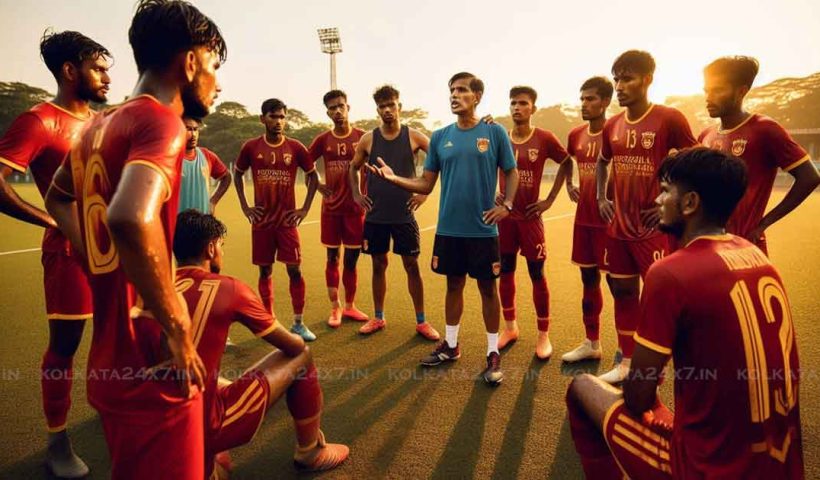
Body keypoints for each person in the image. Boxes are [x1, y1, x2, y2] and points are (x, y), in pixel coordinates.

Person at [44, 1, 225, 477]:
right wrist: (178, 327)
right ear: (189, 62)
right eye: (213, 65)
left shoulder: (95, 128)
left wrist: (91, 254)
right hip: (152, 362)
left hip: (108, 362)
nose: (216, 81)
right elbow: (128, 217)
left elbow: (57, 197)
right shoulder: (160, 122)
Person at [567, 147, 803, 479]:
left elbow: (637, 398)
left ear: (690, 203)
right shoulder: (758, 257)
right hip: (781, 466)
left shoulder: (670, 273)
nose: (657, 200)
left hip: (706, 469)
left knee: (581, 387)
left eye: (664, 191)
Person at [0, 29, 110, 479]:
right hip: (68, 253)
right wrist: (50, 221)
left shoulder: (100, 121)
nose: (106, 77)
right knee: (65, 347)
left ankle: (118, 409)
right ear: (70, 71)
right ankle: (57, 442)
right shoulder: (39, 121)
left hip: (114, 248)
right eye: (98, 69)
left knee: (128, 330)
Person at [172, 210, 349, 478]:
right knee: (302, 354)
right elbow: (292, 347)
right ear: (210, 248)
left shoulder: (151, 289)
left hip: (147, 423)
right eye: (221, 245)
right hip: (199, 423)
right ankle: (310, 451)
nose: (221, 252)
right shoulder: (228, 288)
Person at [368, 72, 518, 386]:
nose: (454, 94)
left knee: (488, 290)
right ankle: (450, 345)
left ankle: (492, 353)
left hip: (483, 229)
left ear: (477, 95)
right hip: (449, 229)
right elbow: (426, 182)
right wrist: (395, 179)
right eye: (451, 90)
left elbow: (511, 171)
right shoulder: (439, 137)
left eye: (462, 89)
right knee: (453, 286)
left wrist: (507, 206)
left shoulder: (495, 133)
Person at [595, 50, 697, 383]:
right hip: (618, 229)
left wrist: (670, 201)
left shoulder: (669, 118)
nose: (620, 86)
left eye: (627, 78)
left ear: (647, 79)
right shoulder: (612, 124)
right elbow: (602, 162)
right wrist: (601, 197)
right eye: (617, 79)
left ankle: (658, 367)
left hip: (653, 229)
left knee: (660, 301)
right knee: (622, 293)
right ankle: (626, 362)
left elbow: (694, 162)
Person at [698, 55, 820, 255]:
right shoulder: (705, 135)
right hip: (706, 245)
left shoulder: (764, 129)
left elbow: (810, 177)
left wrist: (764, 223)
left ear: (741, 91)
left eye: (718, 90)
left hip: (744, 247)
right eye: (706, 90)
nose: (708, 97)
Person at [348, 85, 439, 340]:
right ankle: (378, 317)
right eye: (382, 106)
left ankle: (421, 321)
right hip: (376, 215)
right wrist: (356, 194)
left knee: (412, 266)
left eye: (391, 105)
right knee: (379, 265)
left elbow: (439, 159)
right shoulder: (368, 138)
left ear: (400, 106)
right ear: (377, 109)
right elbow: (353, 167)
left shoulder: (414, 136)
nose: (387, 110)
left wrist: (424, 191)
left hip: (404, 215)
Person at [496, 85, 573, 360]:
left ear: (533, 108)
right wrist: (494, 190)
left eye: (523, 103)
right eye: (513, 103)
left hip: (530, 218)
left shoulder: (544, 138)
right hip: (505, 218)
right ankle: (510, 328)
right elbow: (488, 166)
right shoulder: (501, 137)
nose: (517, 108)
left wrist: (550, 200)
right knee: (505, 270)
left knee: (536, 274)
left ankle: (543, 335)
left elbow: (566, 163)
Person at [234, 98, 320, 341]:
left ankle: (298, 323)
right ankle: (269, 321)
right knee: (265, 271)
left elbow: (313, 177)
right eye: (273, 116)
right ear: (263, 119)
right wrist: (245, 206)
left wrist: (304, 209)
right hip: (261, 222)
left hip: (286, 223)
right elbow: (238, 174)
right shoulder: (251, 147)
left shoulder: (296, 148)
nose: (279, 121)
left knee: (295, 270)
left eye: (282, 117)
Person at [562, 76, 614, 363]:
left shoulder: (617, 130)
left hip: (611, 221)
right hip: (584, 220)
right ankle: (592, 343)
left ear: (605, 102)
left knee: (620, 286)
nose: (585, 104)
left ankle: (626, 351)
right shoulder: (576, 134)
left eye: (591, 98)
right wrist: (570, 184)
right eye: (582, 98)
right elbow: (567, 159)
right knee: (588, 279)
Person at [308, 90, 369, 327]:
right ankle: (335, 308)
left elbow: (376, 166)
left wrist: (368, 193)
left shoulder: (363, 138)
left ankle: (351, 306)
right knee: (332, 258)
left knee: (352, 261)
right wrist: (318, 183)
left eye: (341, 106)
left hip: (355, 210)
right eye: (332, 108)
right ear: (327, 112)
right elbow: (305, 162)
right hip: (331, 209)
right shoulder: (323, 140)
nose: (337, 111)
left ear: (348, 107)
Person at [177, 116, 231, 214]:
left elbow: (226, 177)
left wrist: (213, 202)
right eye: (188, 129)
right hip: (176, 225)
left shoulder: (207, 156)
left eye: (195, 129)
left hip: (203, 223)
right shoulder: (169, 158)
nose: (193, 134)